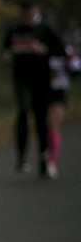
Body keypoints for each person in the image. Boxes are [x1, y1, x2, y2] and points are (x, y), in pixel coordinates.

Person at [3, 0, 66, 176]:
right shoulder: (14, 30)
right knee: (23, 111)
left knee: (41, 120)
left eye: (30, 11)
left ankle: (43, 158)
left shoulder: (45, 30)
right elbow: (6, 48)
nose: (27, 15)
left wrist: (43, 49)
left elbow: (61, 52)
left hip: (42, 81)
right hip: (21, 79)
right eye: (24, 11)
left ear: (36, 11)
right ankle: (22, 157)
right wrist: (6, 55)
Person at [45, 18, 81, 178]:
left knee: (54, 123)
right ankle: (44, 155)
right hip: (41, 92)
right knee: (44, 125)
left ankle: (51, 161)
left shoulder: (66, 51)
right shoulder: (40, 50)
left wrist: (68, 68)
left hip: (58, 92)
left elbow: (76, 69)